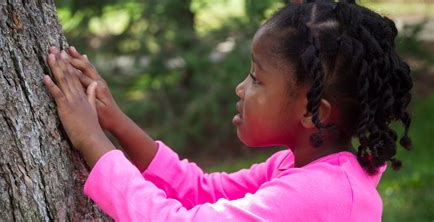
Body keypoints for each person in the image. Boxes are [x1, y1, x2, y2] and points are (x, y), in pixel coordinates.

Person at [43, 0, 413, 221]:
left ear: (312, 110)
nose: (241, 88)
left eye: (256, 78)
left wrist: (92, 140)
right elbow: (200, 191)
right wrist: (116, 122)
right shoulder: (299, 165)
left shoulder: (321, 194)